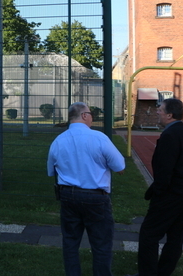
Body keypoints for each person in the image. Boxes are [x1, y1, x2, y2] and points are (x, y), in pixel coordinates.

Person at [47, 102, 125, 276]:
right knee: (101, 244)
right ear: (84, 116)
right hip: (96, 198)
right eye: (91, 114)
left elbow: (51, 170)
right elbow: (120, 166)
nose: (92, 117)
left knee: (70, 243)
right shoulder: (99, 138)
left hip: (68, 196)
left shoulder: (58, 141)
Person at [131, 98, 183, 276]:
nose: (157, 111)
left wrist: (158, 193)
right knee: (175, 237)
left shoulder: (170, 135)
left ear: (169, 114)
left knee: (149, 235)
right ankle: (162, 272)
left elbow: (164, 169)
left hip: (170, 195)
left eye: (160, 109)